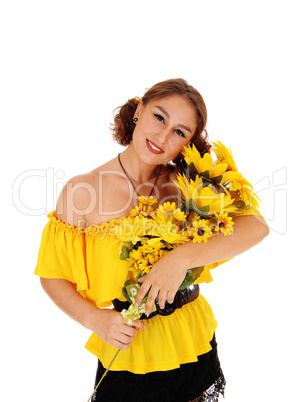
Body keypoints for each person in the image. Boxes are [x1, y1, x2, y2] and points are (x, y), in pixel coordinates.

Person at [35, 78, 269, 401]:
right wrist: (95, 319)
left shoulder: (190, 185)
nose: (162, 136)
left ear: (188, 142)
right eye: (159, 117)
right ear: (139, 110)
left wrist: (182, 258)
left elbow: (256, 226)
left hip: (193, 338)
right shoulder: (82, 191)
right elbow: (52, 275)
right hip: (131, 348)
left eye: (179, 131)